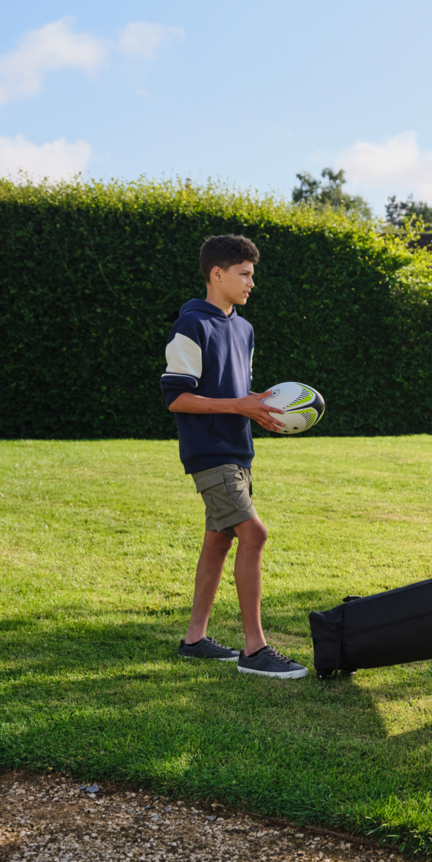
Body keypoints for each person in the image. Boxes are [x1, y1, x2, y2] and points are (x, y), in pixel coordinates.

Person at [161, 234, 308, 679]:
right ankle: (254, 649)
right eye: (243, 274)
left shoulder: (243, 329)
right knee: (254, 534)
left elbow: (236, 392)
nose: (250, 282)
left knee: (220, 540)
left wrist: (256, 409)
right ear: (217, 273)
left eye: (252, 274)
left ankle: (194, 639)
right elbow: (176, 398)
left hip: (240, 450)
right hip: (209, 452)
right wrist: (237, 405)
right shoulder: (191, 326)